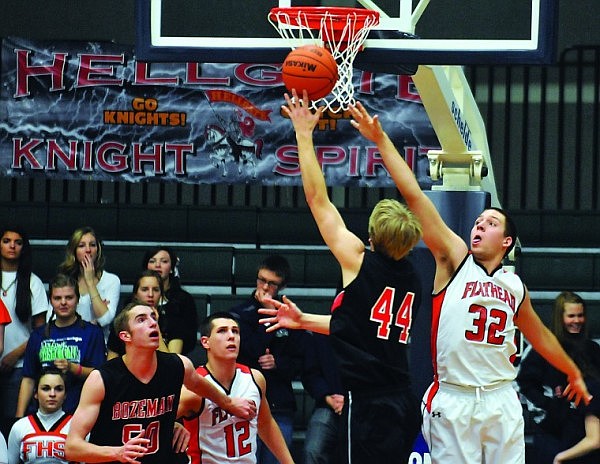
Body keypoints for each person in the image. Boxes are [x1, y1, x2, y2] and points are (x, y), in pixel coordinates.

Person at [344, 97, 591, 463]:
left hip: (501, 397)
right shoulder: (455, 258)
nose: (479, 225)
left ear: (506, 242)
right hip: (454, 398)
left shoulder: (514, 286)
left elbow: (539, 336)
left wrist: (573, 372)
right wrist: (381, 141)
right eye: (478, 222)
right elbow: (414, 194)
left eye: (490, 223)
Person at [259, 91, 424, 463]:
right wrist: (303, 321)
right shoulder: (413, 275)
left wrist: (303, 133)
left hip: (368, 403)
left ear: (371, 236)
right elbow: (356, 328)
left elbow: (319, 201)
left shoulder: (358, 260)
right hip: (402, 398)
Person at [64, 302, 257, 463]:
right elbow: (72, 447)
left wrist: (229, 404)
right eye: (142, 319)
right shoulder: (101, 379)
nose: (152, 323)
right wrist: (117, 452)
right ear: (126, 336)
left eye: (153, 318)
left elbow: (199, 385)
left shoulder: (178, 365)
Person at [178, 312, 294, 464]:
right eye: (222, 331)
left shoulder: (255, 378)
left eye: (235, 331)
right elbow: (158, 420)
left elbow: (265, 424)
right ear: (206, 342)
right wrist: (174, 425)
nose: (231, 336)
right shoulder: (193, 388)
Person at [229, 254, 312, 464]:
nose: (265, 287)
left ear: (281, 286)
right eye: (261, 280)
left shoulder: (292, 319)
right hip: (246, 402)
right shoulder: (239, 315)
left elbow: (300, 362)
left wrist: (279, 363)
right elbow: (252, 350)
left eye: (272, 283)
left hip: (279, 403)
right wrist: (270, 317)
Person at [517, 291, 600, 463]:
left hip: (584, 434)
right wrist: (548, 407)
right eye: (571, 316)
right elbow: (524, 384)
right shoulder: (541, 349)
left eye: (580, 315)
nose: (577, 321)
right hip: (552, 434)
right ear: (559, 317)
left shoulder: (592, 349)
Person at [16, 274, 107, 417]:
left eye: (69, 297)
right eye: (57, 298)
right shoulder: (38, 336)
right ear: (50, 301)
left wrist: (72, 368)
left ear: (77, 299)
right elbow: (28, 379)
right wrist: (19, 417)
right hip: (41, 415)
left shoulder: (92, 333)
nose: (63, 302)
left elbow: (101, 376)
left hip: (79, 413)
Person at [0, 226, 48, 438]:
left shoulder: (33, 282)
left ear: (23, 248)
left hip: (19, 365)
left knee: (12, 424)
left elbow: (41, 331)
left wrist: (14, 354)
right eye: (6, 240)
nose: (12, 246)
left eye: (18, 242)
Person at [56, 226, 121, 341]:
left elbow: (105, 319)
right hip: (68, 344)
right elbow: (51, 320)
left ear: (98, 249)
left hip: (98, 346)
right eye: (81, 246)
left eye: (92, 245)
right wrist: (91, 323)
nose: (88, 250)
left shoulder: (111, 280)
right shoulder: (65, 280)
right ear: (74, 251)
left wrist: (90, 282)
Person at [8, 368, 73, 464]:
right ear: (35, 393)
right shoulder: (19, 427)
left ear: (65, 395)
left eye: (58, 389)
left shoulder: (77, 426)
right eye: (46, 388)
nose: (52, 394)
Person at [143, 246, 198, 356]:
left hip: (174, 357)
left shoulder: (183, 300)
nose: (157, 265)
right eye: (152, 261)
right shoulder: (134, 300)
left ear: (172, 268)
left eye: (164, 261)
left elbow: (190, 338)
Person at [106, 270, 169, 359]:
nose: (150, 294)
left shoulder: (170, 320)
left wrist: (155, 325)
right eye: (145, 289)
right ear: (135, 294)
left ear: (161, 295)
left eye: (155, 290)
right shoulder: (123, 322)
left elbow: (171, 365)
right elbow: (110, 364)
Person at [302, 333, 344, 464]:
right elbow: (310, 374)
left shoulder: (367, 334)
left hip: (361, 405)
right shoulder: (320, 334)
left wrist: (349, 400)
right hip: (328, 403)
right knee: (312, 450)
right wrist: (328, 398)